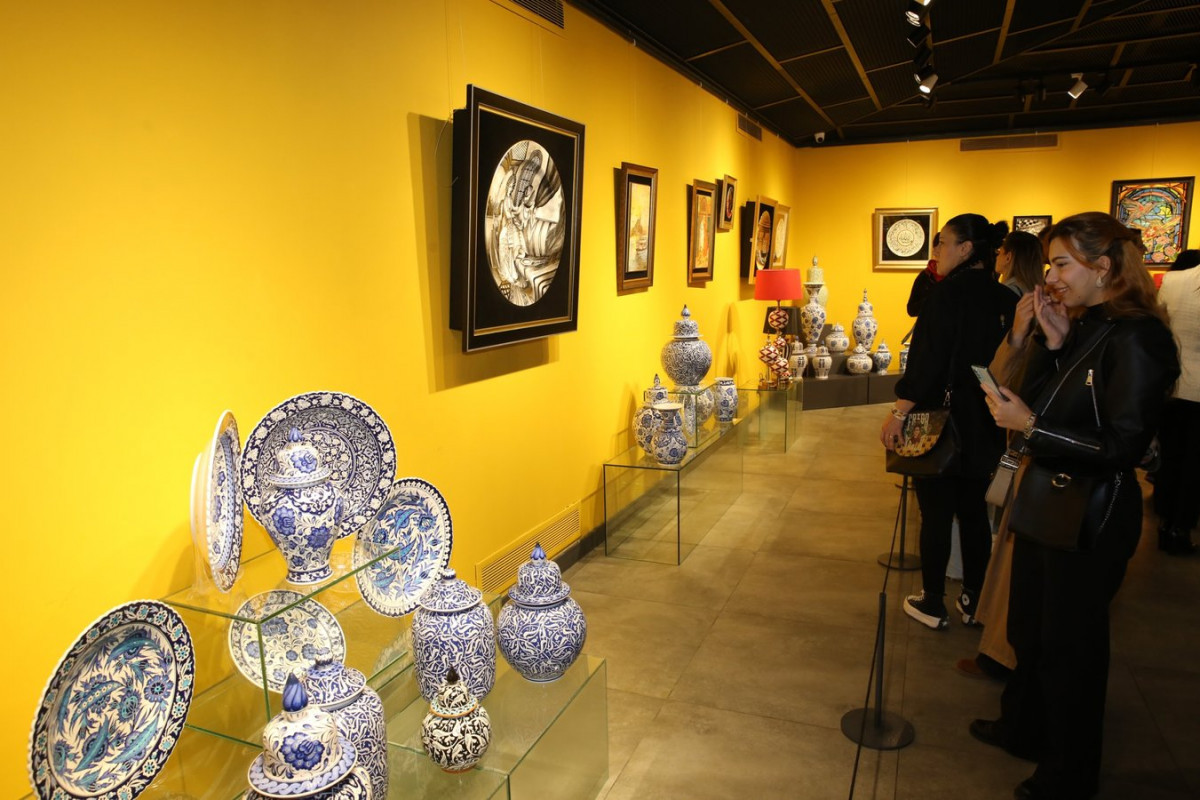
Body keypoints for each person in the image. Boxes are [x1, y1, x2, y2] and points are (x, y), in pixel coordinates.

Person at [973, 212, 1179, 800]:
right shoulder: (1091, 327)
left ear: (1103, 267)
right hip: (1050, 500)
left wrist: (1030, 427)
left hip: (1091, 514)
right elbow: (1057, 401)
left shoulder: (1139, 337)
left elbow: (1121, 446)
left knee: (1072, 652)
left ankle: (1068, 775)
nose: (1051, 277)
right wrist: (1057, 343)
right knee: (1030, 630)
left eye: (1062, 264)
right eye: (1050, 265)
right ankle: (1023, 728)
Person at [881, 214, 1017, 630]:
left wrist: (898, 412)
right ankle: (974, 600)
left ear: (965, 249)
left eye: (942, 242)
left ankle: (933, 601)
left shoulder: (945, 296)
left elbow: (928, 362)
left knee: (936, 514)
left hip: (942, 420)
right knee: (974, 513)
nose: (936, 251)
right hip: (987, 419)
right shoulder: (1004, 298)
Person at [1153, 248, 1200, 554]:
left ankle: (1164, 521)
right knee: (1194, 465)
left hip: (1172, 384)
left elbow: (1159, 330)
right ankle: (1180, 529)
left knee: (1171, 456)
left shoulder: (1172, 281)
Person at [996, 230, 1045, 297]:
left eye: (999, 253)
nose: (996, 257)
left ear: (1008, 257)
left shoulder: (1006, 291)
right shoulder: (1037, 291)